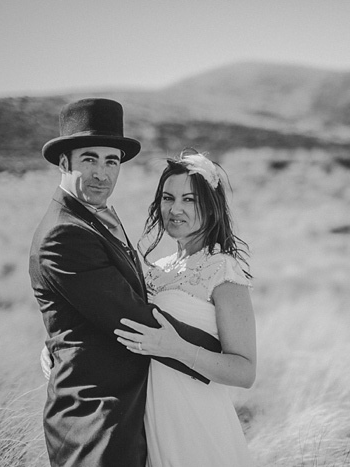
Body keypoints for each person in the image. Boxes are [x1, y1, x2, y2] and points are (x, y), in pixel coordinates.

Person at [29, 98, 221, 467]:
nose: (102, 173)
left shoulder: (92, 219)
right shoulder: (64, 234)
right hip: (97, 422)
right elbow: (130, 315)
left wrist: (59, 334)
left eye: (111, 161)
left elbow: (98, 303)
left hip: (132, 411)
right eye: (89, 159)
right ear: (64, 162)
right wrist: (219, 354)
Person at [113, 148, 256, 466]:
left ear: (211, 206)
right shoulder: (156, 270)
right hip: (152, 420)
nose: (175, 209)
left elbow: (245, 371)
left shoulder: (223, 271)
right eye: (167, 198)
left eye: (189, 199)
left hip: (198, 422)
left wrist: (177, 348)